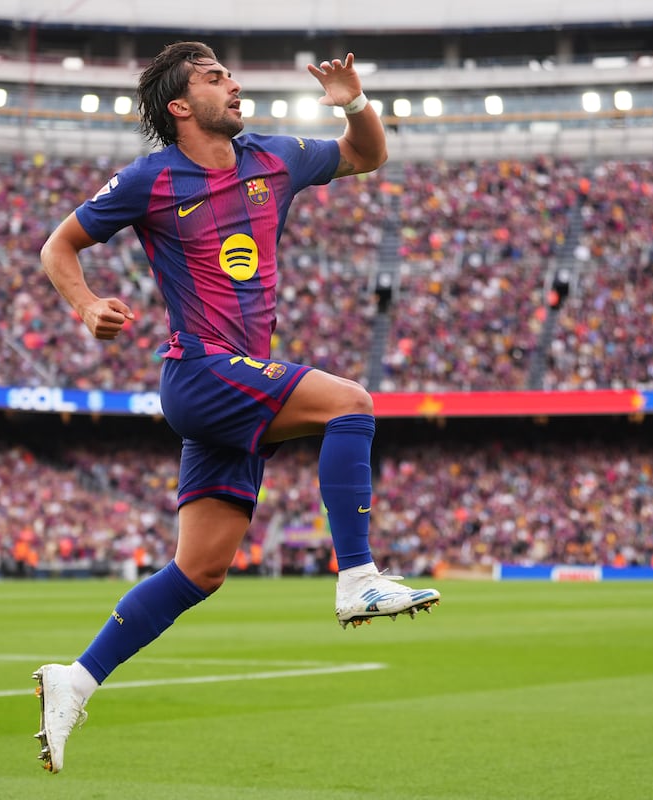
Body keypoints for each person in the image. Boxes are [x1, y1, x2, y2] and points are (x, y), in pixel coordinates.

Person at [34, 41, 440, 774]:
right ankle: (358, 578)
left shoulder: (276, 158)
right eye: (214, 77)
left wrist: (353, 102)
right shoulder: (150, 178)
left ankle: (77, 679)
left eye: (229, 73)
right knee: (349, 404)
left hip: (231, 385)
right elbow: (59, 247)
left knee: (201, 569)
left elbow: (366, 155)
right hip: (201, 371)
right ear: (180, 106)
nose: (234, 83)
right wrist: (87, 304)